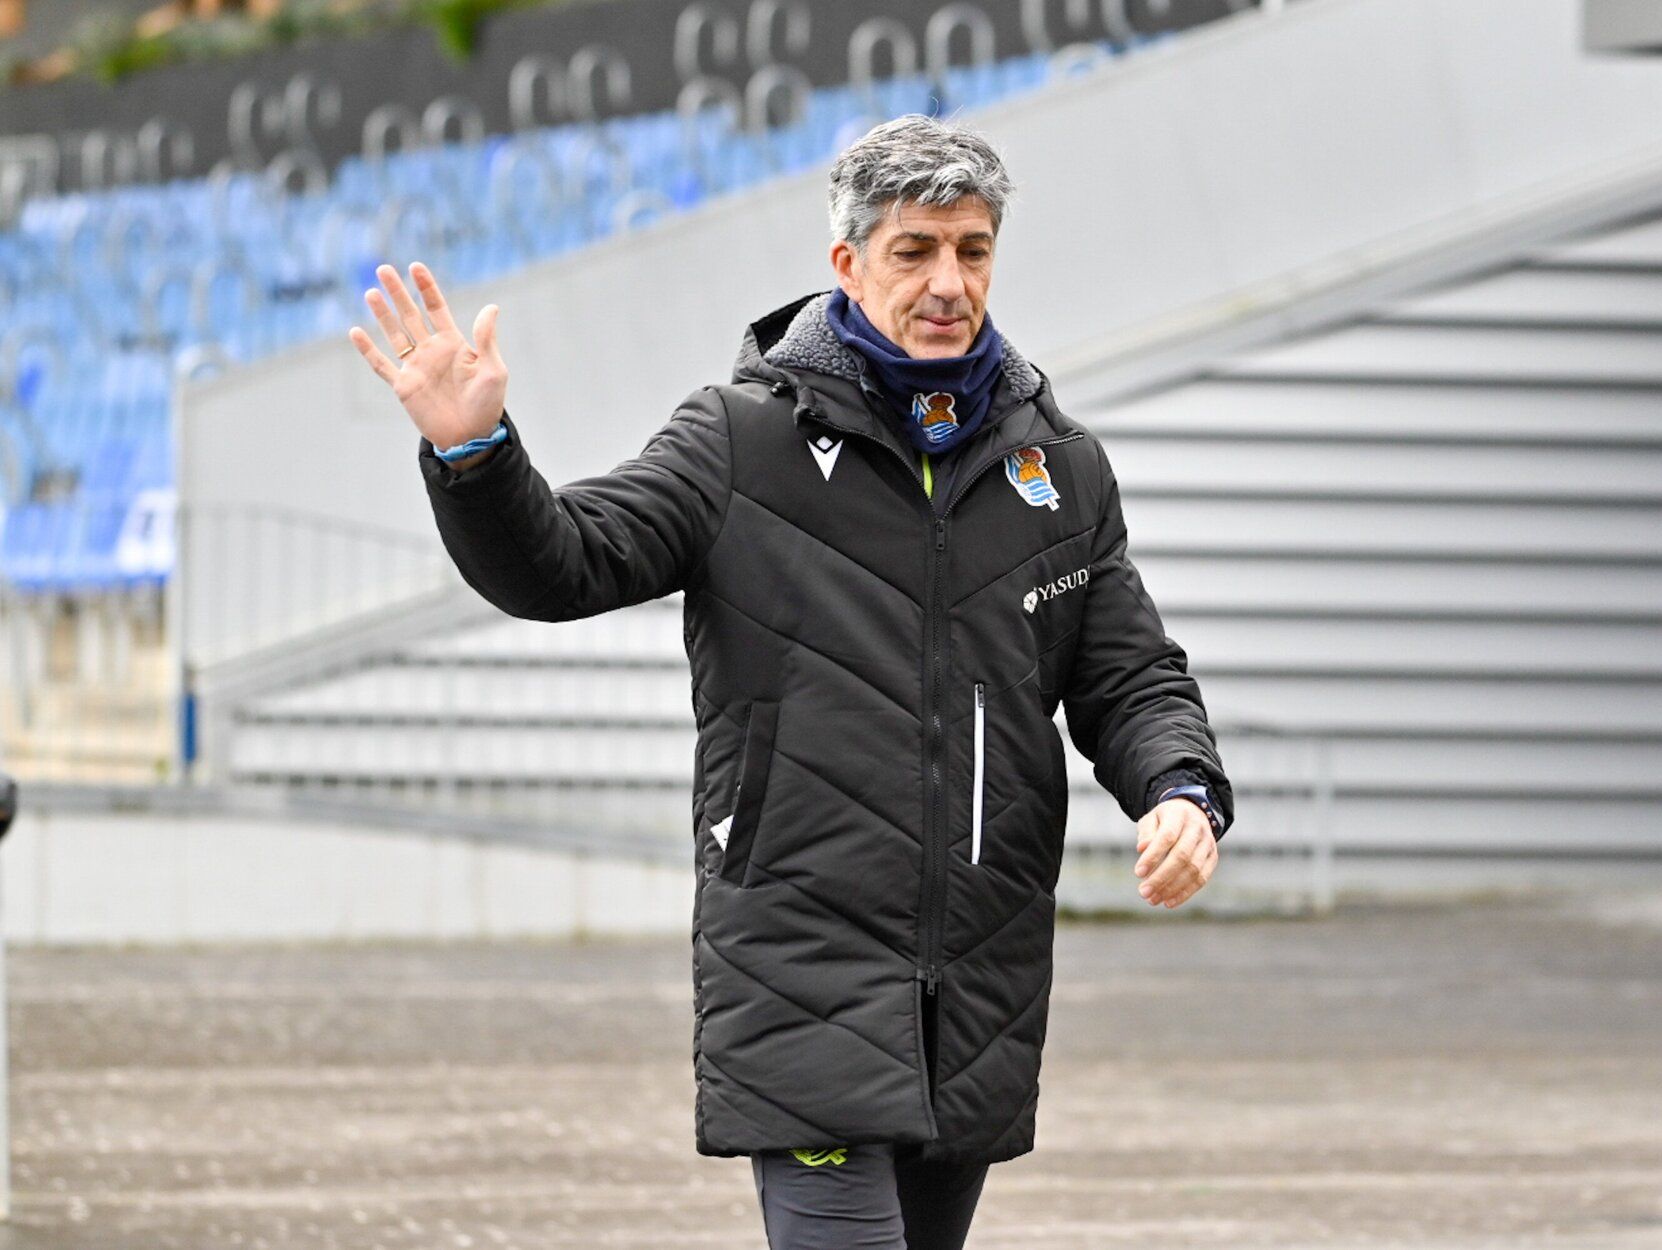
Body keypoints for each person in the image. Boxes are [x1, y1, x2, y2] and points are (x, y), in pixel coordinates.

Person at [349, 113, 1234, 1250]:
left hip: (978, 980)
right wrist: (476, 456)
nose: (948, 281)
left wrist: (1181, 789)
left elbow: (1129, 673)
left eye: (971, 249)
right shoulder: (737, 441)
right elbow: (565, 562)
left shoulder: (1057, 467)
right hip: (802, 960)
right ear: (848, 264)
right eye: (914, 251)